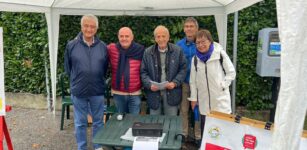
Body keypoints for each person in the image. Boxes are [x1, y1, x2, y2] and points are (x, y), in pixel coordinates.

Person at [64, 14, 108, 150]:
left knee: (98, 122)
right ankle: (81, 147)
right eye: (86, 26)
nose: (89, 29)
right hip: (79, 91)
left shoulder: (102, 46)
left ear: (97, 28)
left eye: (92, 26)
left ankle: (98, 146)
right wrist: (77, 81)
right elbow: (68, 68)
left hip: (97, 91)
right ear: (81, 27)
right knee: (80, 123)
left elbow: (105, 68)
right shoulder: (71, 45)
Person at [189, 29, 236, 138]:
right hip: (204, 104)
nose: (201, 45)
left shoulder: (219, 54)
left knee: (223, 134)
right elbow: (193, 81)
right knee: (207, 133)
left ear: (210, 41)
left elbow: (231, 72)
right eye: (198, 43)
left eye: (203, 42)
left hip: (220, 102)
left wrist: (223, 85)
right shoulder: (195, 59)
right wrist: (193, 98)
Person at [141, 25, 187, 116]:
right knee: (154, 122)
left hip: (172, 92)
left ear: (168, 37)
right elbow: (143, 72)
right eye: (158, 36)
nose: (161, 39)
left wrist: (174, 83)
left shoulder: (177, 51)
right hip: (154, 93)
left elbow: (183, 69)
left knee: (170, 121)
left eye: (163, 36)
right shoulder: (148, 52)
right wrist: (149, 85)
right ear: (155, 38)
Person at [107, 27, 144, 114]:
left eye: (127, 36)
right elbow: (97, 49)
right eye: (121, 36)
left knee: (133, 121)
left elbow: (146, 69)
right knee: (120, 121)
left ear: (132, 37)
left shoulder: (140, 50)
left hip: (135, 93)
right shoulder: (111, 49)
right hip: (118, 92)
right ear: (118, 37)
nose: (124, 38)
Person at [176, 17, 201, 143]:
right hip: (185, 83)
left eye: (192, 26)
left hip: (199, 84)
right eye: (187, 26)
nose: (189, 28)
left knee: (198, 111)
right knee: (184, 110)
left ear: (197, 28)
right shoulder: (179, 45)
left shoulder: (202, 42)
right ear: (184, 29)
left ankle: (198, 136)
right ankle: (184, 135)